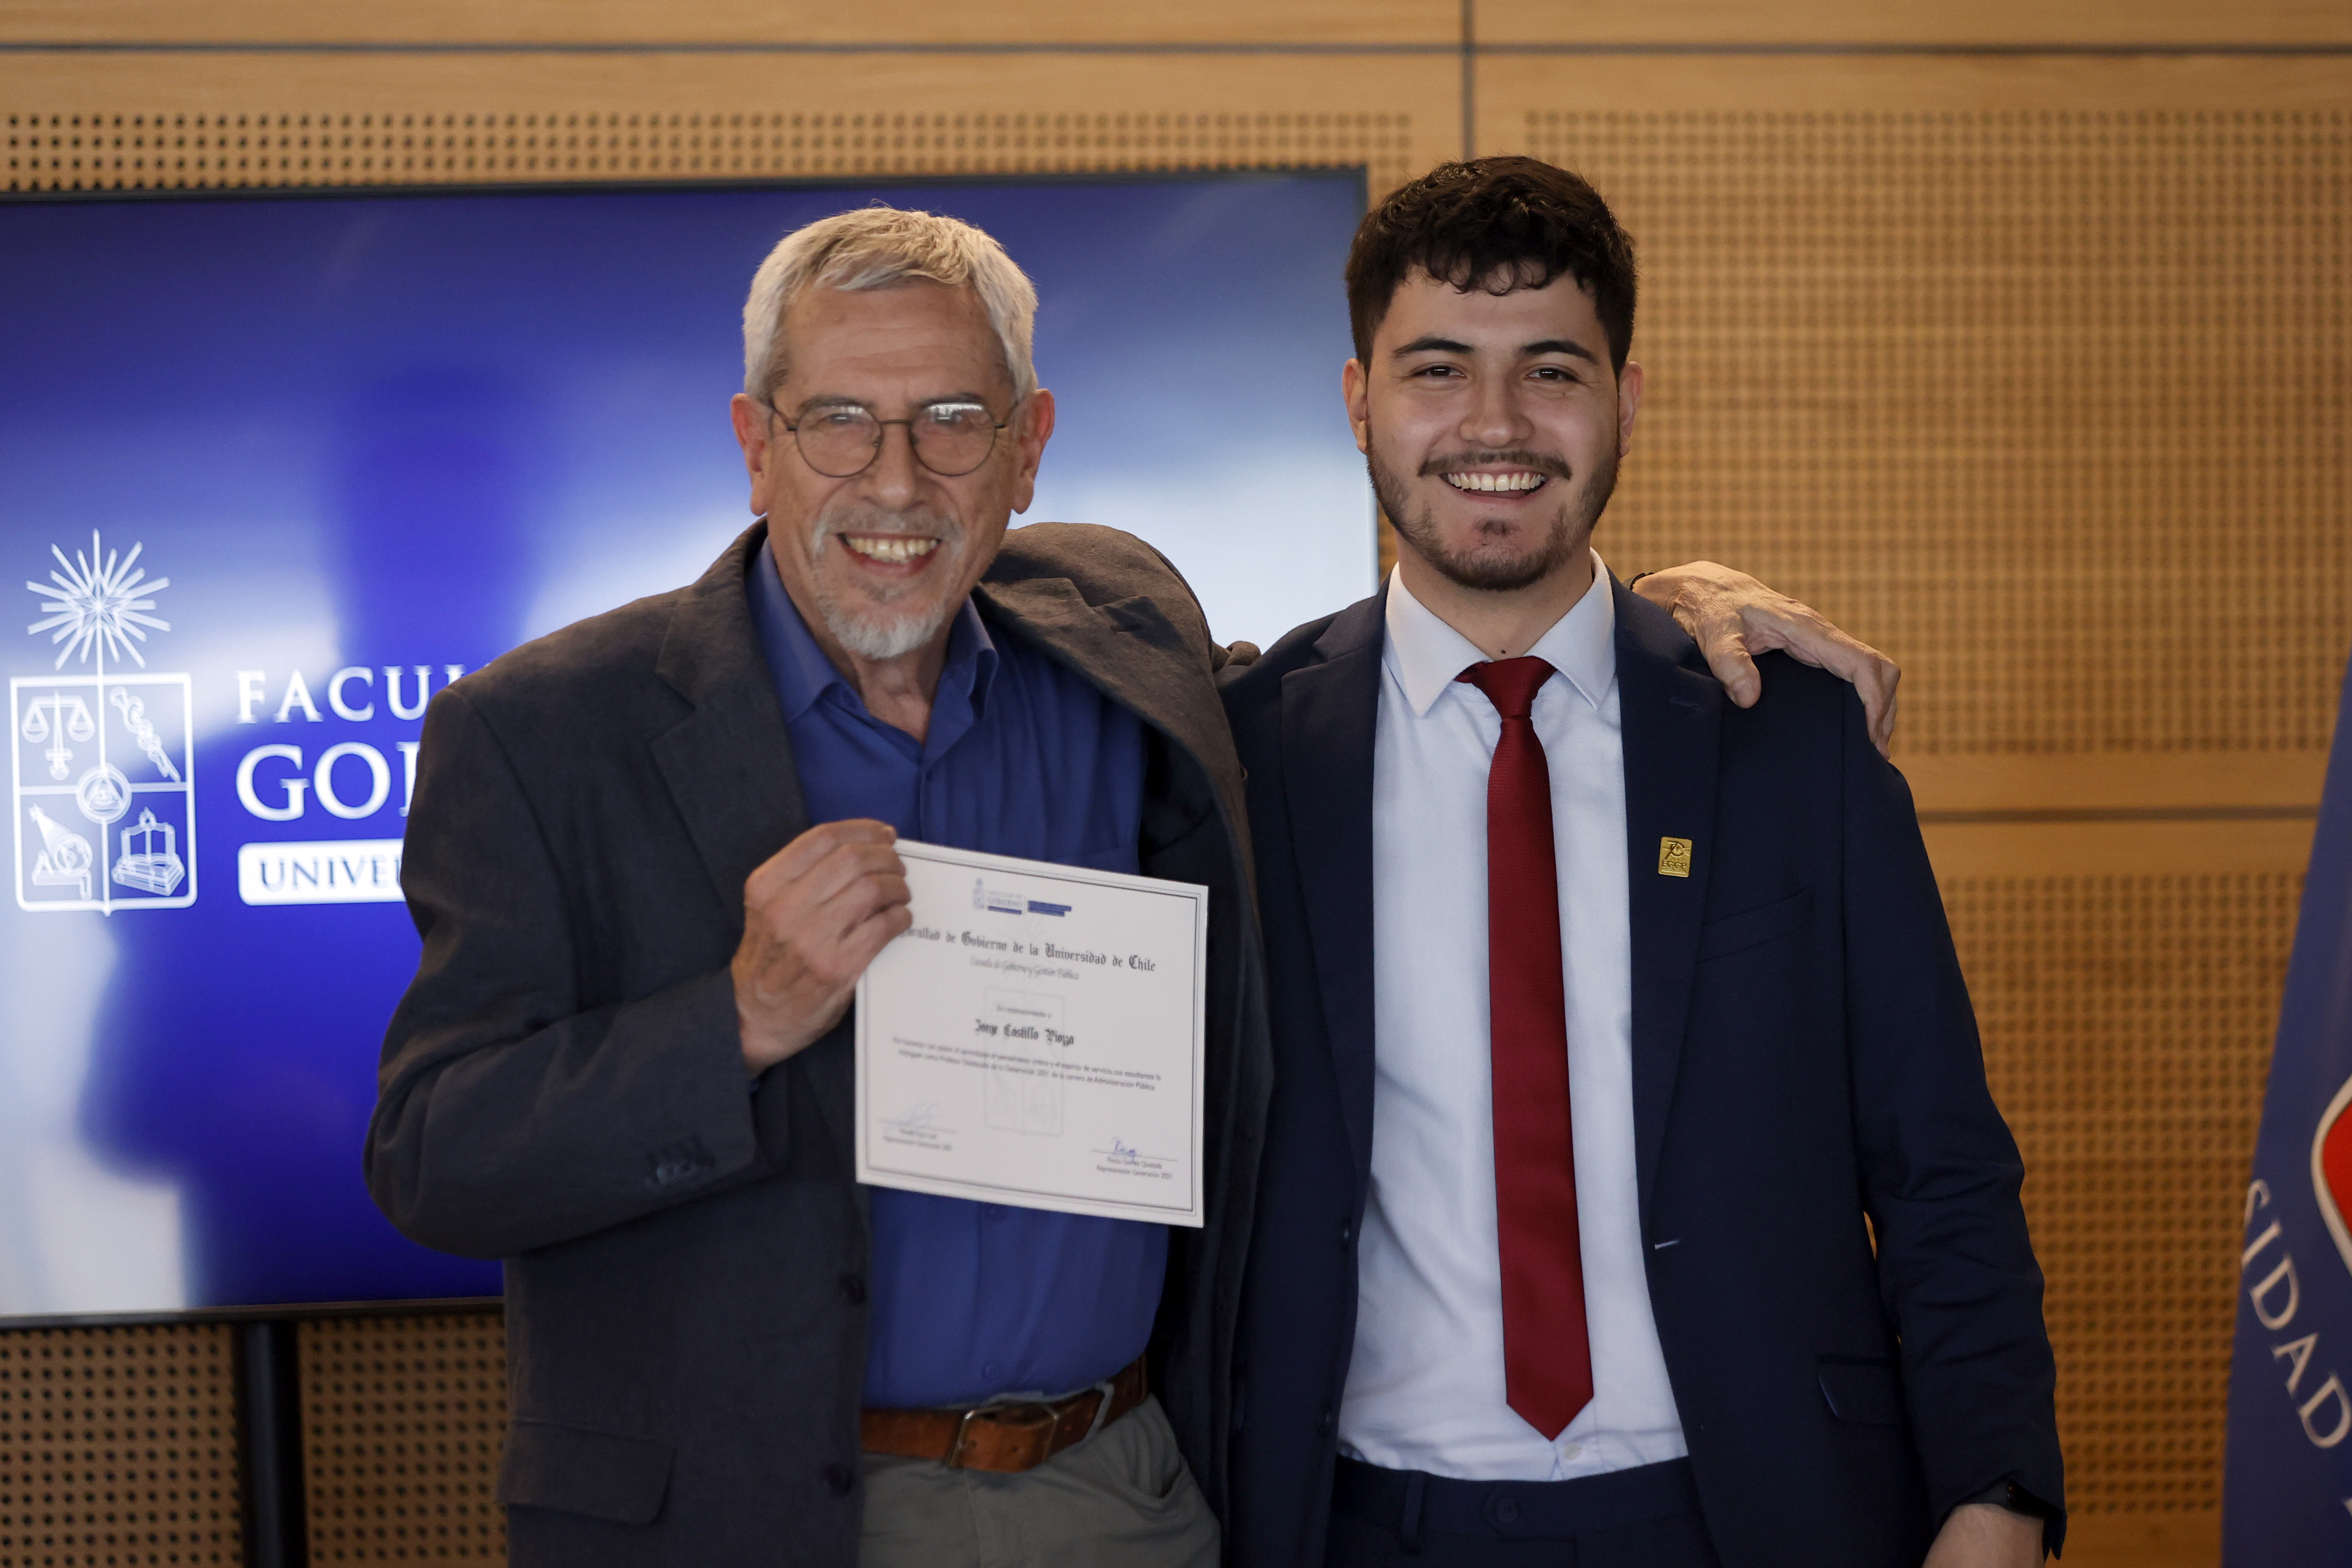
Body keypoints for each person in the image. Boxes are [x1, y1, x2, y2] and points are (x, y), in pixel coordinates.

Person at [366, 202, 1896, 1568]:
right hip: (752, 1514)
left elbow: (1407, 665)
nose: (894, 479)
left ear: (1028, 449)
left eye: (954, 418)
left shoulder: (1123, 649)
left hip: (1119, 1496)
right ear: (756, 442)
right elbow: (434, 1157)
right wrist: (742, 1018)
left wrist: (1673, 609)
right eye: (839, 417)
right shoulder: (546, 731)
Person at [1219, 158, 2064, 1568]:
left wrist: (1998, 1496)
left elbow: (1941, 1166)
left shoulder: (1789, 743)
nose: (1495, 425)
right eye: (1437, 370)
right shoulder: (1236, 762)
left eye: (1551, 370)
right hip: (1356, 1522)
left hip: (1753, 1514)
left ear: (1626, 398)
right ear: (1358, 399)